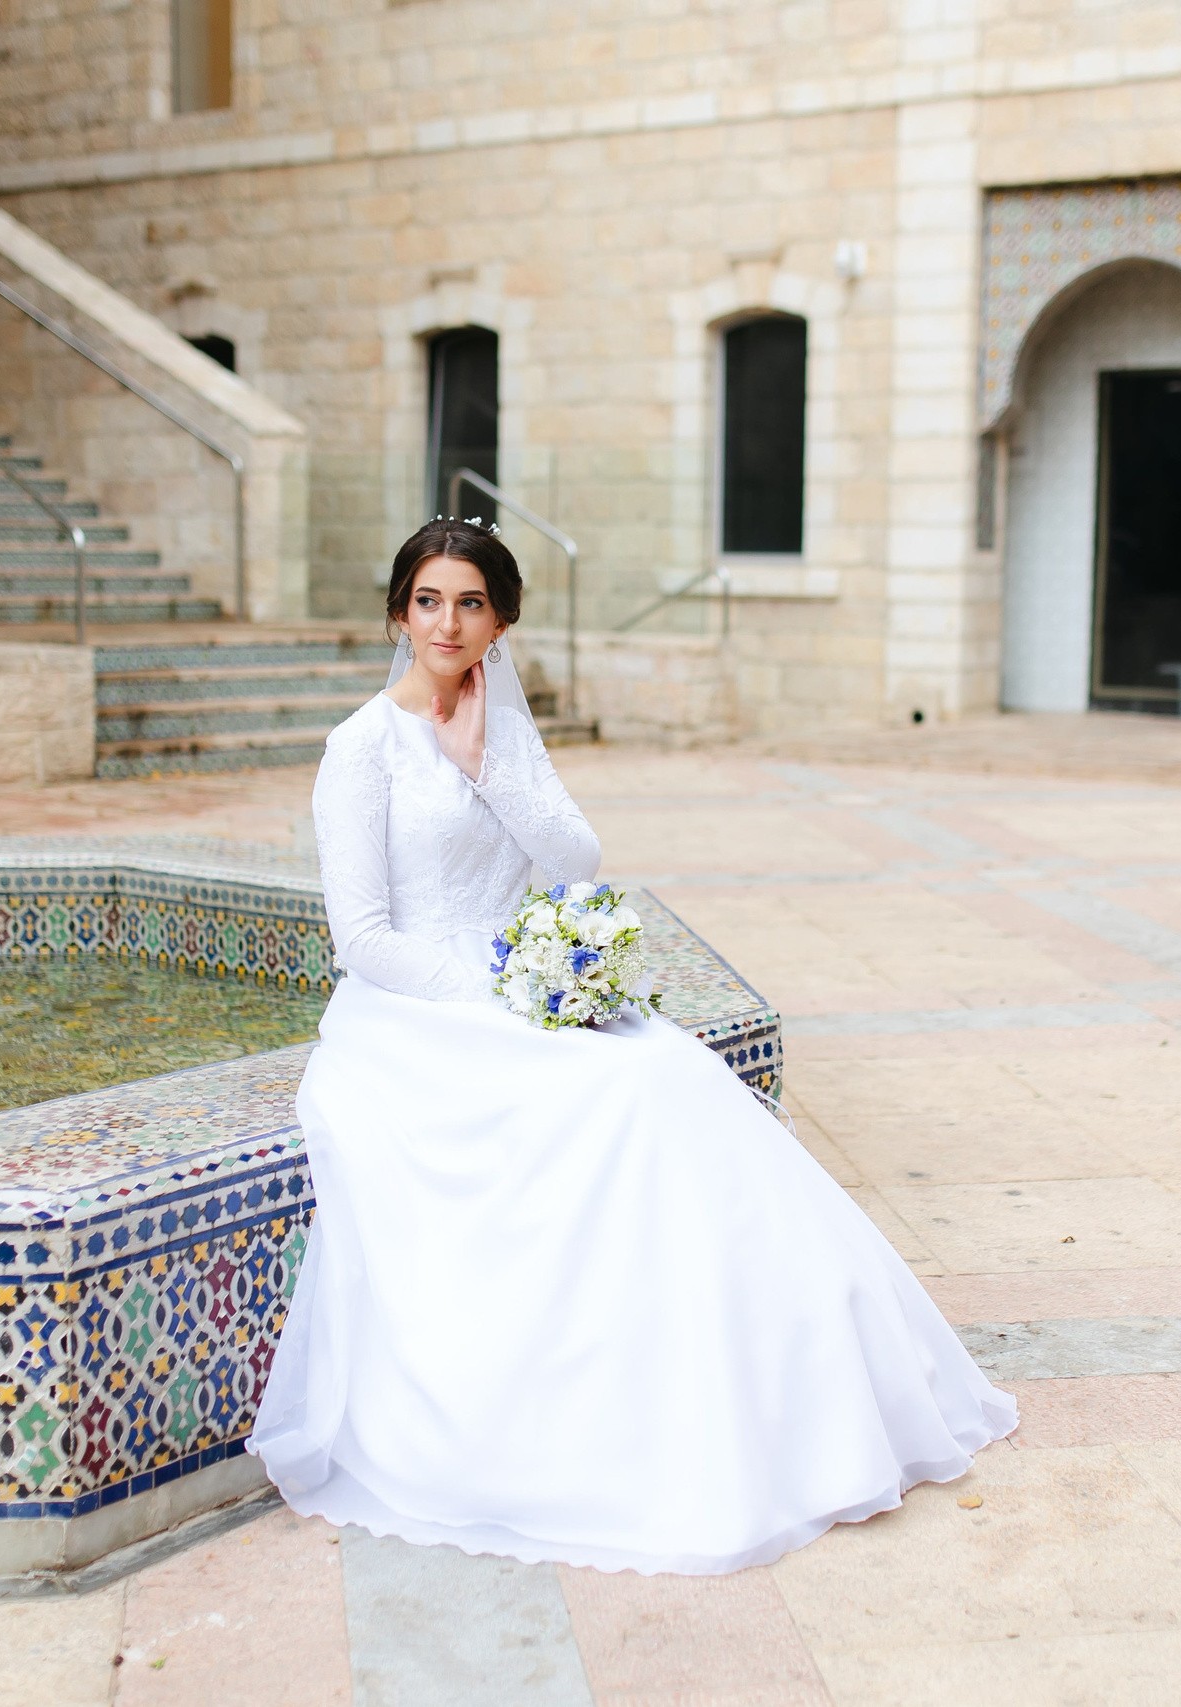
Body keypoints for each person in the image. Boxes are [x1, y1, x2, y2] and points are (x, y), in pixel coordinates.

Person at [247, 517, 1016, 1574]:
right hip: (418, 1015)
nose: (447, 622)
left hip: (521, 988)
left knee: (672, 1073)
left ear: (500, 621)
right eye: (428, 600)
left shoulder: (502, 731)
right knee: (618, 1098)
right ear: (397, 611)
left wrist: (481, 767)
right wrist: (499, 995)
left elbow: (574, 861)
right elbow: (363, 941)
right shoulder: (358, 749)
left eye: (470, 602)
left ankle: (764, 1386)